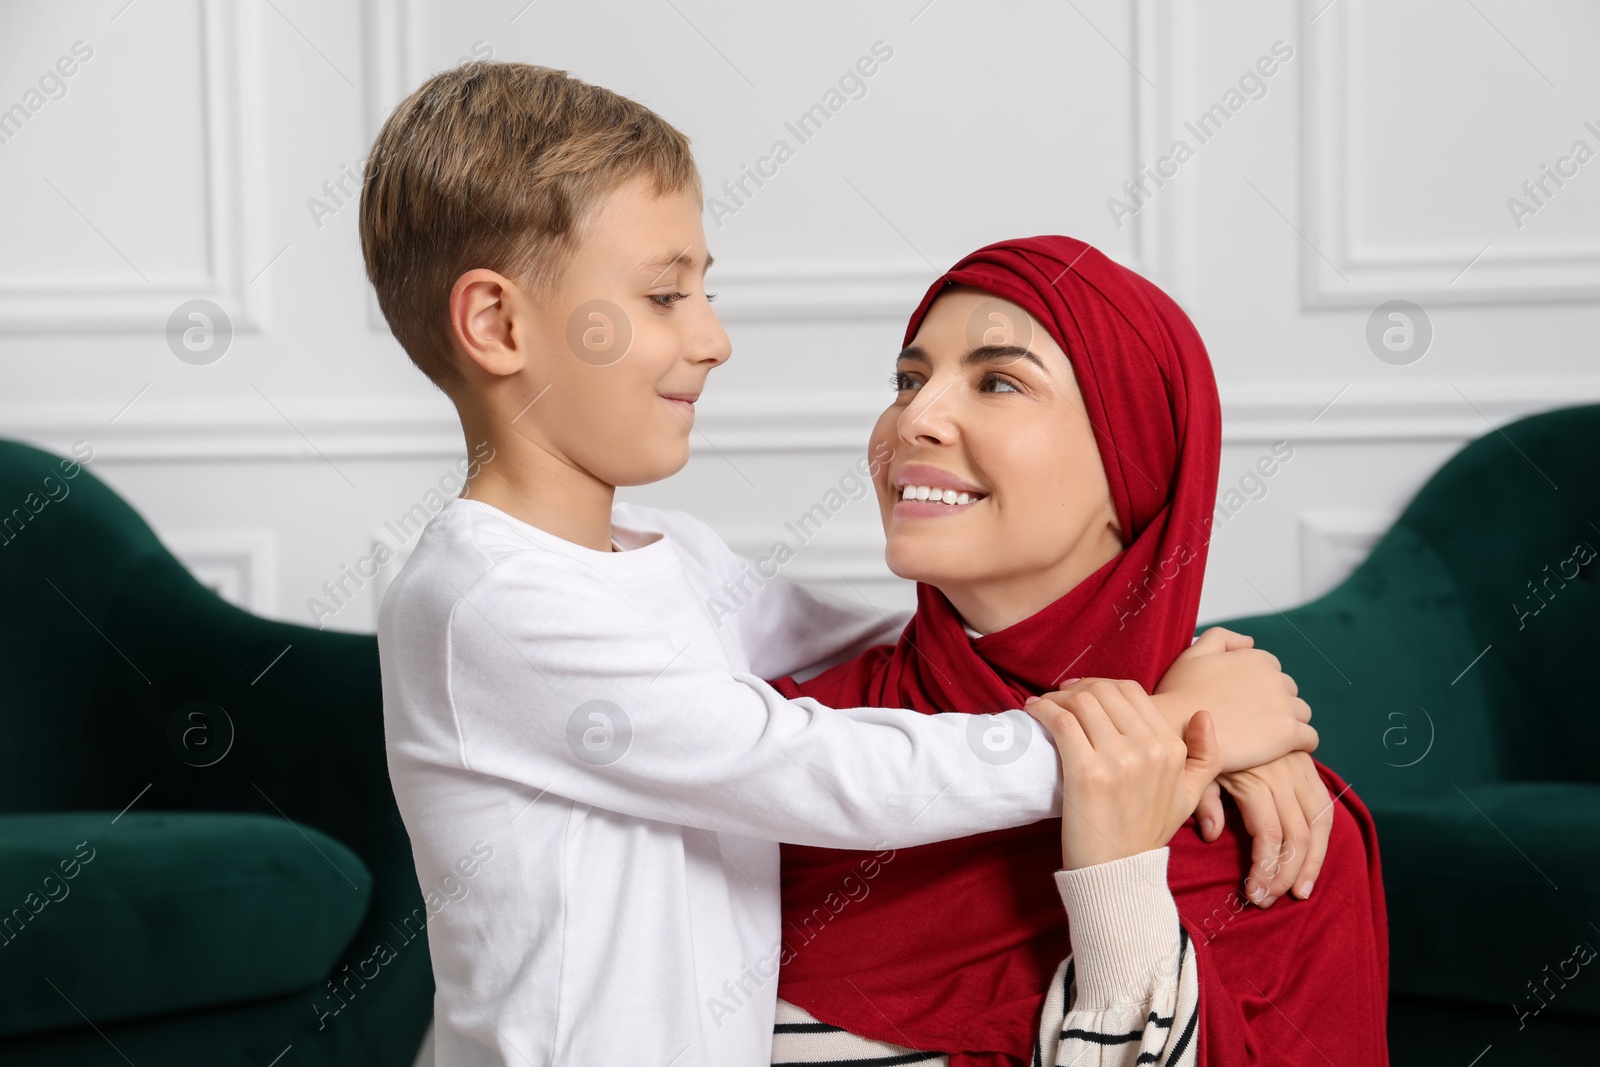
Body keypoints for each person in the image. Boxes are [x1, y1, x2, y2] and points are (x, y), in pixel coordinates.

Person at [363, 61, 1321, 1064]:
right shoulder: (489, 600)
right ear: (498, 325)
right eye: (661, 295)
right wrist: (1164, 733)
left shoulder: (668, 553)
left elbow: (921, 639)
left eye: (706, 289)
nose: (714, 337)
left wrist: (1186, 672)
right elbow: (819, 767)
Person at [770, 237, 1390, 1066]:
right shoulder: (780, 744)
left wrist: (1119, 883)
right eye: (908, 380)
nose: (913, 418)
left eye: (997, 381)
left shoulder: (1280, 834)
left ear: (1132, 462)